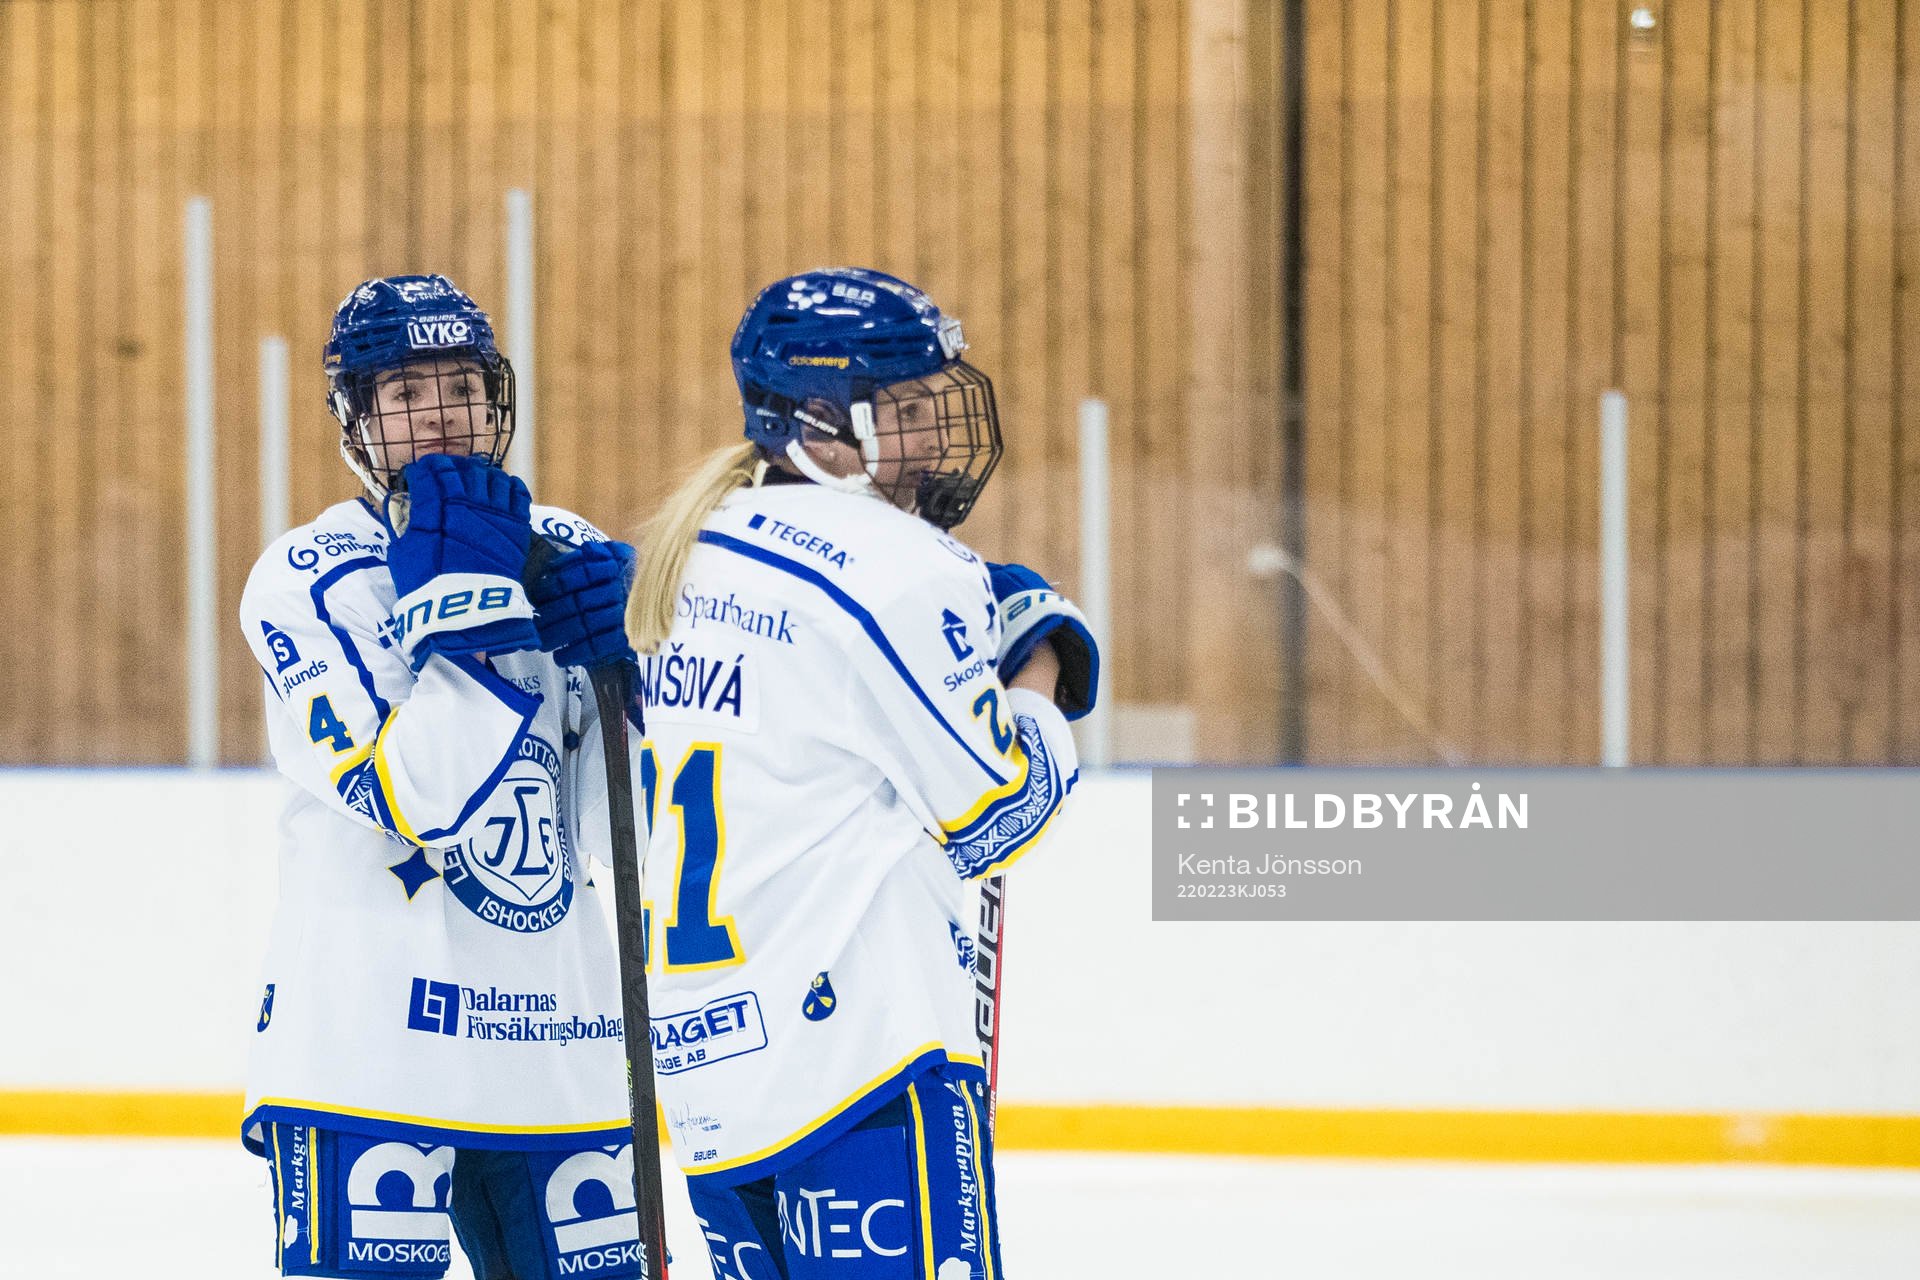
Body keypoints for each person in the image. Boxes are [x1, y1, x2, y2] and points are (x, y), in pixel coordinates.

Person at [625, 267, 1100, 1279]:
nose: (932, 439)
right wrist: (1041, 665)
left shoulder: (685, 549)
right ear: (818, 426)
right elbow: (1000, 815)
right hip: (863, 1068)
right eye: (905, 412)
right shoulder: (900, 564)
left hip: (711, 1084)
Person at [238, 274, 644, 1280]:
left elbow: (623, 834)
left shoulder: (567, 549)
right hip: (370, 1044)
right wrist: (474, 622)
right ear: (355, 418)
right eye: (406, 392)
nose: (442, 415)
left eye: (462, 386)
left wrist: (641, 679)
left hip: (557, 1038)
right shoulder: (310, 575)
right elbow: (410, 799)